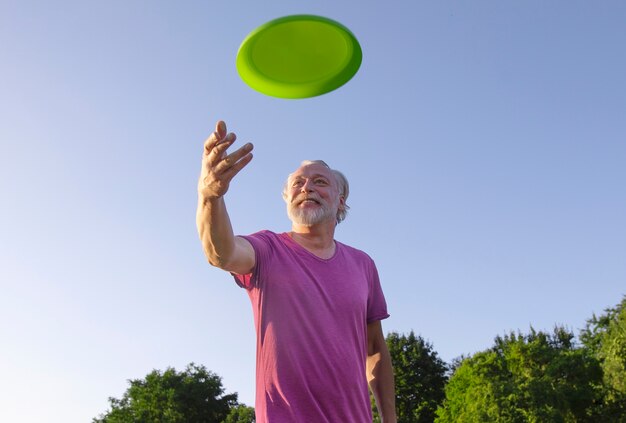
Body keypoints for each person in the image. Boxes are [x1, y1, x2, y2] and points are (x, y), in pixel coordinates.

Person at [197, 120, 396, 423]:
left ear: (340, 199)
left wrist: (389, 419)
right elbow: (220, 252)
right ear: (288, 198)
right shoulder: (267, 249)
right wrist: (210, 196)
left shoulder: (363, 265)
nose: (307, 188)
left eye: (319, 181)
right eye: (298, 184)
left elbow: (376, 350)